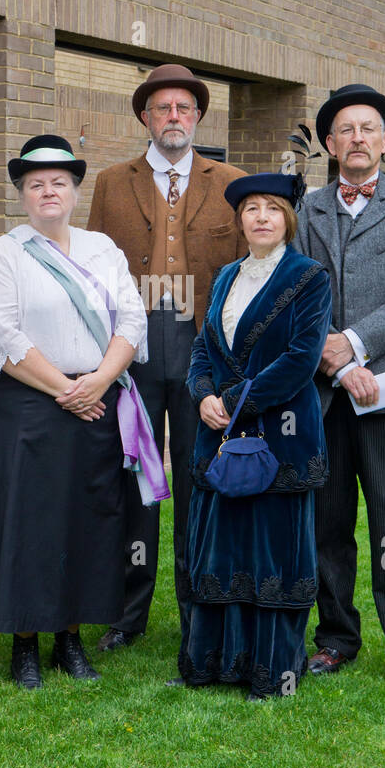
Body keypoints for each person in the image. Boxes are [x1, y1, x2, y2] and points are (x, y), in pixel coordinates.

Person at [0, 135, 165, 690]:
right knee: (29, 524)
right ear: (23, 193)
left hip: (97, 402)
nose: (49, 191)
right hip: (26, 407)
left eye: (59, 183)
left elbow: (132, 323)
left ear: (74, 190)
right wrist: (64, 390)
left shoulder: (103, 250)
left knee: (86, 523)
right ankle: (25, 643)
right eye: (37, 184)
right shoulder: (5, 252)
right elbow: (1, 332)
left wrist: (98, 380)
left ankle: (70, 639)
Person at [86, 64, 245, 653]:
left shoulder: (230, 180)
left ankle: (197, 604)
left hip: (203, 349)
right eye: (161, 109)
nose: (173, 117)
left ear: (197, 116)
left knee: (201, 475)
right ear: (145, 119)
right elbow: (96, 270)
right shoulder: (110, 182)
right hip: (134, 348)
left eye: (183, 108)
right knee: (135, 479)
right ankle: (128, 614)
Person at [295, 84, 385, 701]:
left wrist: (353, 345)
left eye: (369, 128)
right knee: (327, 521)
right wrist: (331, 361)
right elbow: (298, 290)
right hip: (324, 394)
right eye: (345, 130)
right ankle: (335, 637)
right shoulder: (307, 209)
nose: (357, 138)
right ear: (330, 145)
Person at [180, 173, 332, 700]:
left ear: (288, 217)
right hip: (219, 432)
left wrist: (236, 400)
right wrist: (202, 395)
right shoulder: (224, 276)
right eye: (251, 208)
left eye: (272, 207)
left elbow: (301, 360)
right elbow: (203, 346)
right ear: (240, 219)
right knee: (223, 546)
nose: (261, 216)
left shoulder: (309, 277)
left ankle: (271, 670)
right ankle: (218, 662)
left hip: (280, 436)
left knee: (273, 552)